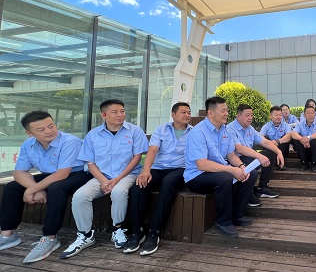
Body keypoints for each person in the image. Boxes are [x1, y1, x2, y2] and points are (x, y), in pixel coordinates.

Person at [60, 99, 148, 259]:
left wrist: (117, 179)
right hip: (102, 176)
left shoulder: (135, 131)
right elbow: (90, 162)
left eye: (122, 111)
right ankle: (85, 234)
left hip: (128, 175)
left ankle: (117, 229)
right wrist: (103, 181)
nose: (120, 115)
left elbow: (137, 157)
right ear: (104, 115)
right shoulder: (93, 135)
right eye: (115, 112)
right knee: (80, 196)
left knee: (119, 192)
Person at [0, 111, 89, 263]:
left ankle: (50, 237)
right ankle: (8, 235)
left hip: (78, 174)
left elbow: (62, 174)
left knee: (56, 188)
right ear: (29, 133)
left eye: (51, 126)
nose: (48, 131)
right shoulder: (29, 144)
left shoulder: (70, 141)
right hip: (51, 175)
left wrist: (32, 189)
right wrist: (38, 188)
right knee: (12, 187)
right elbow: (19, 172)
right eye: (41, 129)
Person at [124, 102, 193, 255]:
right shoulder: (161, 130)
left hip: (180, 169)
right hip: (158, 168)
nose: (187, 115)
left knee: (168, 184)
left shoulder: (193, 132)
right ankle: (137, 231)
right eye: (183, 112)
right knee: (139, 186)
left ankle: (154, 231)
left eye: (188, 112)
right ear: (173, 114)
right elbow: (153, 150)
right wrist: (146, 171)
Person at [183, 96, 258, 238]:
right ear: (211, 113)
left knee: (251, 173)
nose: (226, 114)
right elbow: (202, 164)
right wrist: (231, 169)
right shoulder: (198, 132)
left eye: (227, 110)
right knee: (225, 178)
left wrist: (241, 166)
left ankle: (237, 215)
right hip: (197, 176)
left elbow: (231, 155)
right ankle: (223, 222)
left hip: (219, 170)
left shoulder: (226, 130)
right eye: (223, 111)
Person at [227, 104, 284, 202]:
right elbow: (239, 148)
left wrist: (279, 152)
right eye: (247, 115)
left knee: (270, 152)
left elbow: (264, 142)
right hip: (235, 160)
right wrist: (259, 156)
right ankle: (248, 193)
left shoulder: (250, 128)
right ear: (238, 116)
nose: (250, 118)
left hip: (248, 157)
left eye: (251, 115)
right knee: (256, 160)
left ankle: (262, 187)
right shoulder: (230, 129)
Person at [291, 105, 316, 171]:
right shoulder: (300, 124)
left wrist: (309, 138)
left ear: (315, 114)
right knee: (296, 139)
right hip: (304, 152)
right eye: (308, 113)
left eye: (312, 113)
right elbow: (293, 133)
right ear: (304, 115)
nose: (310, 115)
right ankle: (304, 163)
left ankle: (314, 163)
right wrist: (302, 139)